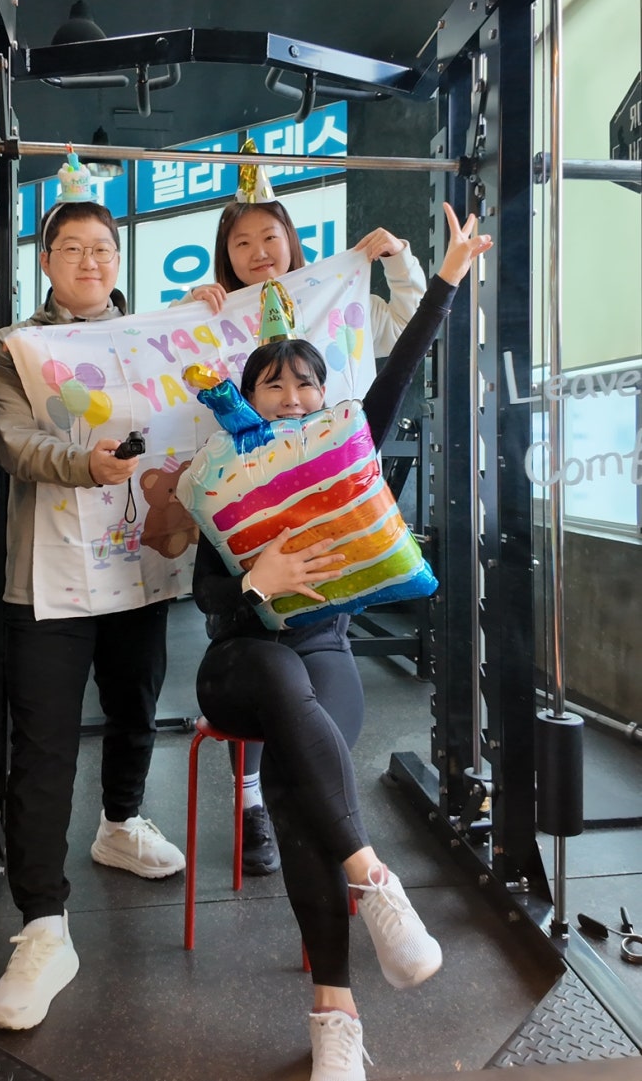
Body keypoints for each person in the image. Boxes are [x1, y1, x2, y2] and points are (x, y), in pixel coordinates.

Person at [190, 202, 492, 1080]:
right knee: (277, 683)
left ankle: (336, 1013)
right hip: (236, 658)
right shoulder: (220, 475)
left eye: (304, 384)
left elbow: (399, 369)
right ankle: (373, 877)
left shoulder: (346, 447)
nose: (291, 398)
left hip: (323, 653)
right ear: (247, 397)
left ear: (324, 395)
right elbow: (208, 601)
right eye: (272, 385)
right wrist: (259, 579)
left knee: (295, 785)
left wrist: (443, 278)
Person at [182, 158, 427, 876]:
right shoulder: (214, 321)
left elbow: (405, 341)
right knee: (268, 667)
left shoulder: (336, 306)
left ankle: (330, 847)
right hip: (246, 581)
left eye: (270, 237)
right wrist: (196, 313)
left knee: (316, 712)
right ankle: (259, 804)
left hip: (326, 576)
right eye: (241, 242)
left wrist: (404, 262)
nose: (258, 252)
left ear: (291, 240)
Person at [0, 198, 186, 1032]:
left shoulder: (151, 337)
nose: (91, 261)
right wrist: (85, 462)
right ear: (46, 260)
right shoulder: (16, 348)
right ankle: (43, 923)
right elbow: (13, 441)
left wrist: (215, 314)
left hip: (138, 564)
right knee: (43, 742)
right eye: (72, 247)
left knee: (136, 703)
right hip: (50, 575)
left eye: (103, 247)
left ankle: (120, 822)